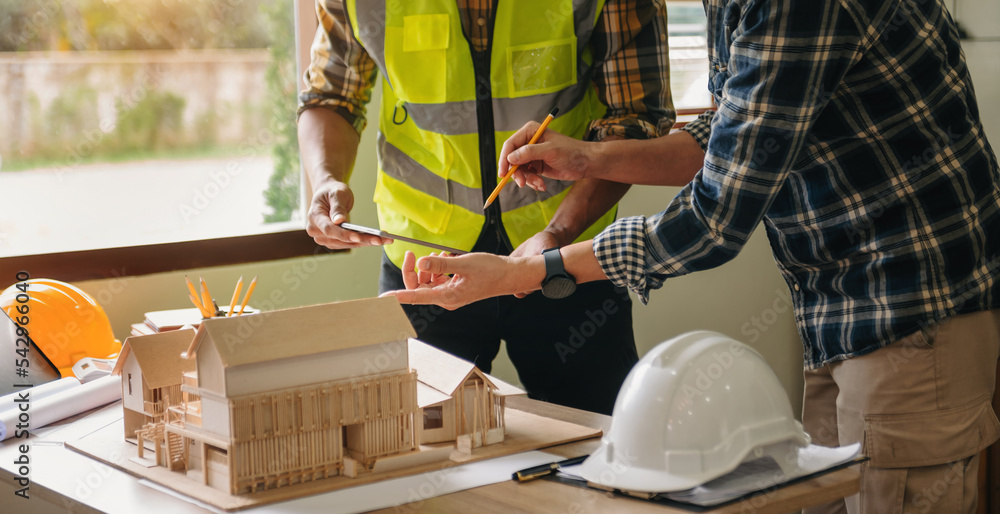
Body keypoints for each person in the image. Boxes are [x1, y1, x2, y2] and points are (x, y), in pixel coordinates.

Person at [384, 0, 1000, 512]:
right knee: (830, 496)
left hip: (915, 306)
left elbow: (715, 220)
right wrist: (589, 159)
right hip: (833, 309)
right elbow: (733, 130)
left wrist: (531, 270)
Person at [297, 0, 675, 415]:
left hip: (566, 264)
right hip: (425, 267)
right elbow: (331, 96)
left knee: (601, 446)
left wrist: (558, 234)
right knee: (415, 445)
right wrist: (327, 177)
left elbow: (635, 120)